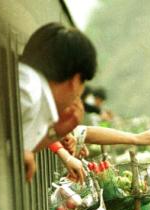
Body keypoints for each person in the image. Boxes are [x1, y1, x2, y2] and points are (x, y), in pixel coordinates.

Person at [19, 23, 97, 181]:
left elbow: (20, 149)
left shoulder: (37, 94)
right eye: (83, 83)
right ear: (75, 80)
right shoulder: (28, 90)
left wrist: (57, 132)